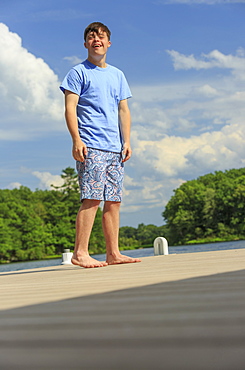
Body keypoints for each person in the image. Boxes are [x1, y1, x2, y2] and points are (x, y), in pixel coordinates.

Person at [60, 22, 141, 268]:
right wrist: (76, 139)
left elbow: (123, 110)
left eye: (102, 36)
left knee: (113, 200)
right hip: (91, 145)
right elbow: (69, 108)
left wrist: (126, 140)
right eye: (92, 37)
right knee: (92, 198)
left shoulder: (118, 75)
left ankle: (113, 253)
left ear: (109, 43)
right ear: (86, 43)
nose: (97, 40)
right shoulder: (78, 73)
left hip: (114, 147)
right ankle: (80, 253)